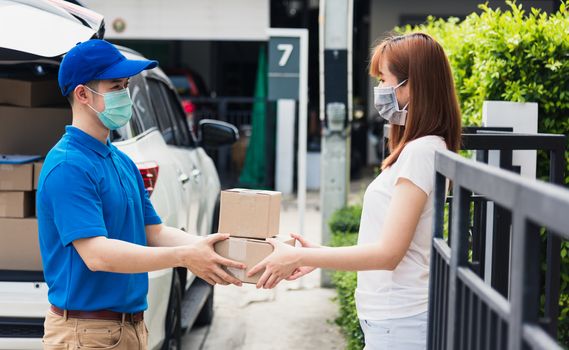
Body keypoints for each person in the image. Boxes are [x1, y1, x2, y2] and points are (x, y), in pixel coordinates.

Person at [247, 32, 462, 350]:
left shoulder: (421, 152)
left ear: (412, 85)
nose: (381, 91)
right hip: (394, 320)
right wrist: (316, 256)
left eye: (386, 80)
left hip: (400, 322)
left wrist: (300, 255)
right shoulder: (421, 149)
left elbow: (389, 254)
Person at [37, 39, 244, 350]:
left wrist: (215, 247)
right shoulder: (69, 166)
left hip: (129, 328)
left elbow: (154, 231)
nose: (125, 95)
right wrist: (185, 257)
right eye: (116, 86)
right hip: (86, 333)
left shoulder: (120, 160)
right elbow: (97, 255)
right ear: (82, 94)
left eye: (126, 85)